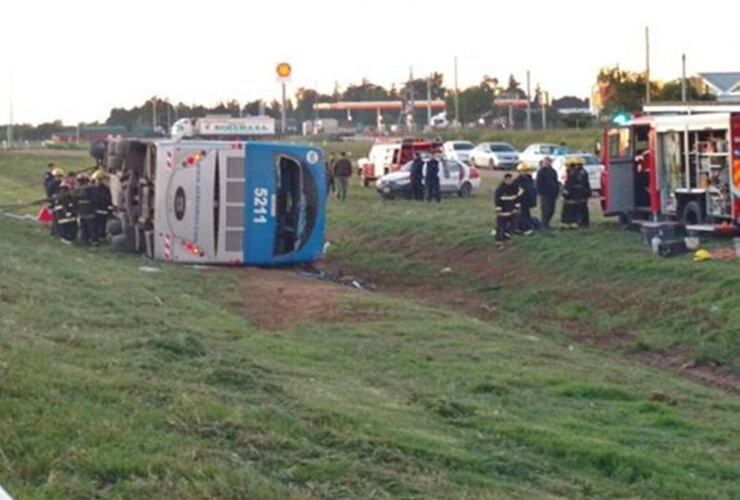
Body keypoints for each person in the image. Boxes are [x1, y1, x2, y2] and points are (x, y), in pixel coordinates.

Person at [493, 173, 520, 247]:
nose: (510, 181)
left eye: (511, 180)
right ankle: (499, 240)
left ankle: (507, 238)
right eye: (508, 180)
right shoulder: (500, 189)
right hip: (503, 211)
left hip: (512, 210)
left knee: (513, 225)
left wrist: (516, 208)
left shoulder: (514, 188)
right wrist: (499, 211)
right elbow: (497, 201)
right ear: (504, 180)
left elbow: (517, 199)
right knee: (501, 225)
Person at [536, 156, 559, 229]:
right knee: (545, 210)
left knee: (552, 210)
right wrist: (540, 192)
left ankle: (547, 223)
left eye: (549, 161)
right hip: (545, 194)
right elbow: (538, 183)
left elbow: (556, 182)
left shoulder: (553, 171)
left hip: (553, 193)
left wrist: (557, 191)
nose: (547, 163)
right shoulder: (541, 171)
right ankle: (544, 224)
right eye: (546, 162)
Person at [514, 163, 537, 235]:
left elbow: (532, 190)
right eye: (523, 171)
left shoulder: (529, 179)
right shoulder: (517, 181)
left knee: (526, 215)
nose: (525, 172)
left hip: (528, 201)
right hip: (521, 202)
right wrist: (517, 202)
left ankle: (526, 228)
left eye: (526, 171)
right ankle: (525, 229)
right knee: (522, 216)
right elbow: (516, 193)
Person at [90, 169, 112, 243]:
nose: (98, 181)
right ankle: (95, 239)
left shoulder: (105, 189)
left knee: (102, 224)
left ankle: (101, 236)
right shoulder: (92, 189)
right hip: (95, 209)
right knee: (94, 225)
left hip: (102, 209)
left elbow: (108, 199)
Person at [76, 174, 96, 244]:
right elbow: (94, 199)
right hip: (89, 209)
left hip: (81, 210)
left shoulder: (77, 189)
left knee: (83, 225)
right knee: (91, 226)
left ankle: (85, 238)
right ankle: (93, 239)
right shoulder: (91, 188)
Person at [573, 158, 591, 228]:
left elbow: (584, 183)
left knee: (581, 208)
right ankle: (583, 222)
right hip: (582, 193)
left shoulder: (580, 172)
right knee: (582, 208)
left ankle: (582, 222)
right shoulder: (583, 172)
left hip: (581, 193)